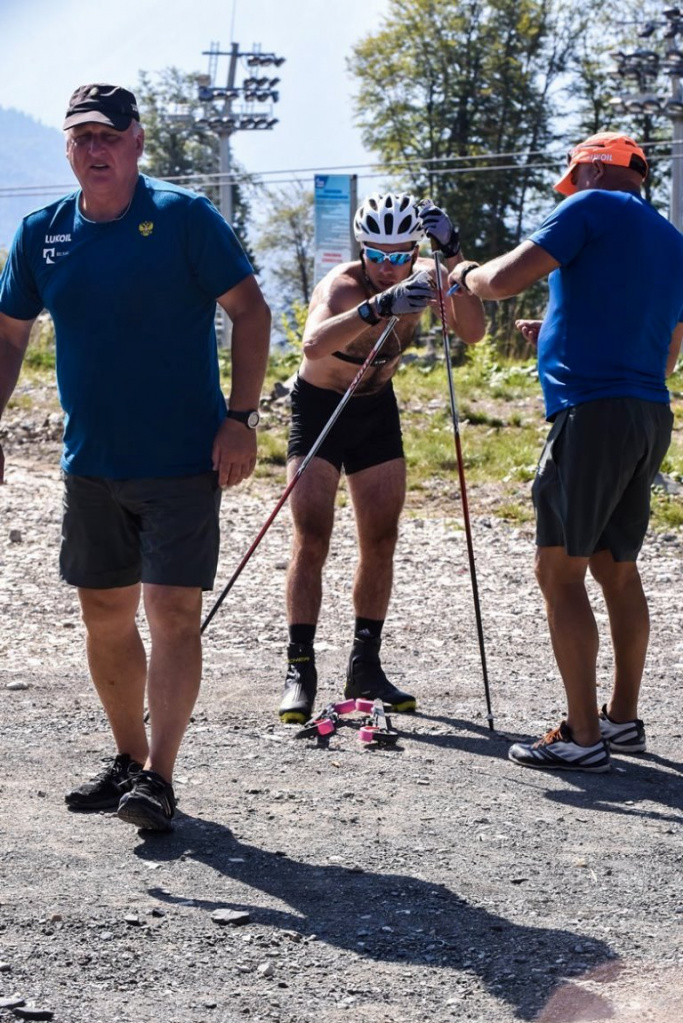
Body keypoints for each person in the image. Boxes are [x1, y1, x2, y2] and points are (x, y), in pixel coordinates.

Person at [0, 84, 271, 828]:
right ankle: (127, 758)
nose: (95, 149)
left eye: (108, 136)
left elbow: (250, 310)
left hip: (183, 458)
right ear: (67, 147)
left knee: (173, 612)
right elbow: (8, 337)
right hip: (90, 464)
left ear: (137, 141)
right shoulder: (41, 234)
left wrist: (241, 418)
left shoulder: (183, 218)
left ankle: (161, 776)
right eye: (81, 137)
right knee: (104, 615)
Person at [449, 131, 683, 772]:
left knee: (559, 572)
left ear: (591, 171)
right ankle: (622, 721)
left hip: (590, 418)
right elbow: (666, 348)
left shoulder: (588, 208)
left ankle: (583, 738)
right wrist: (559, 330)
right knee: (617, 569)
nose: (570, 191)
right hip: (646, 413)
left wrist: (460, 269)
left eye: (573, 179)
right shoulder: (671, 239)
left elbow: (497, 283)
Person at [278, 191, 486, 723]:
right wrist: (376, 307)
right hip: (322, 407)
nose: (391, 267)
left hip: (375, 408)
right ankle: (300, 666)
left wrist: (454, 256)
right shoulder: (344, 284)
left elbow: (475, 331)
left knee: (382, 538)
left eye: (402, 255)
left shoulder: (424, 274)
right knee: (314, 535)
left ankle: (364, 665)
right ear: (363, 249)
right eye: (379, 256)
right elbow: (314, 344)